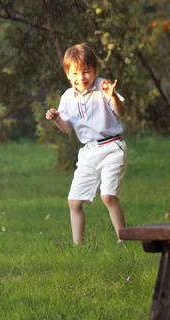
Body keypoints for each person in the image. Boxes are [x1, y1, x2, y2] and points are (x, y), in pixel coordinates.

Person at [45, 43, 127, 245]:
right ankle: (78, 246)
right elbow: (67, 128)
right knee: (74, 201)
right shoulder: (67, 97)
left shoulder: (103, 87)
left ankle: (122, 239)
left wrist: (113, 96)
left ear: (95, 71)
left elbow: (120, 112)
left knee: (108, 196)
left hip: (112, 147)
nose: (81, 78)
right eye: (75, 73)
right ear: (67, 74)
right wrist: (56, 118)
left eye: (86, 72)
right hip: (88, 151)